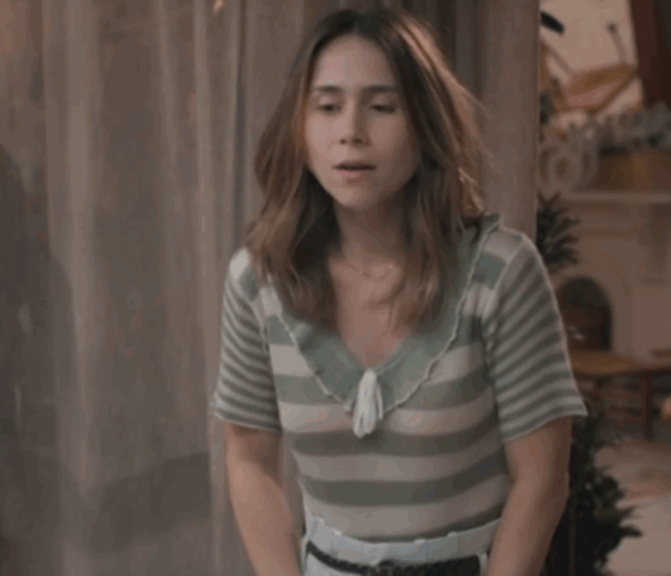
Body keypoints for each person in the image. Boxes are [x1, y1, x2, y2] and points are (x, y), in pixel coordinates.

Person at [210, 7, 588, 576]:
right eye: (327, 106)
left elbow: (542, 478)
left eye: (382, 107)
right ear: (300, 128)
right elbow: (248, 461)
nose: (351, 132)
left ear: (426, 123)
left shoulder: (501, 273)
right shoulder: (257, 280)